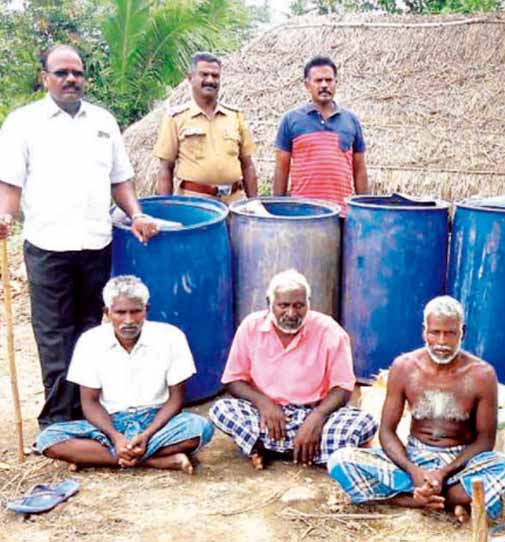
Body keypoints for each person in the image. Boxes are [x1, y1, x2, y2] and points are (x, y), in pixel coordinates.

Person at [0, 45, 159, 429]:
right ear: (45, 77)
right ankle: (58, 419)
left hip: (95, 244)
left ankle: (89, 413)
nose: (71, 79)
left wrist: (136, 214)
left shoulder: (103, 121)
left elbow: (120, 179)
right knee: (55, 334)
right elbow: (9, 183)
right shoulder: (23, 123)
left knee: (91, 331)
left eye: (77, 72)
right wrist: (4, 215)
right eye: (61, 72)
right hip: (48, 246)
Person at [327, 296, 505, 522]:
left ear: (463, 332)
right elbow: (387, 432)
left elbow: (484, 441)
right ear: (425, 332)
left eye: (450, 333)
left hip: (461, 464)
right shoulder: (404, 367)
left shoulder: (482, 375)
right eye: (435, 332)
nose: (441, 341)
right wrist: (414, 471)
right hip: (414, 458)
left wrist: (443, 473)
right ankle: (444, 499)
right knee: (340, 460)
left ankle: (427, 497)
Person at [35, 276, 214, 474]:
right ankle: (156, 460)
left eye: (136, 311)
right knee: (48, 439)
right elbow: (90, 402)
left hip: (156, 420)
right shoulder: (90, 342)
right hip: (110, 422)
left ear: (147, 309)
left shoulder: (171, 337)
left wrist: (147, 434)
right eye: (120, 312)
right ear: (107, 312)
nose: (129, 320)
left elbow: (176, 399)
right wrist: (115, 436)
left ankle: (99, 457)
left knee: (200, 427)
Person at [209, 269, 377, 469]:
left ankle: (269, 448)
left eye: (299, 306)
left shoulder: (330, 331)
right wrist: (265, 404)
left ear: (308, 303)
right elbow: (233, 380)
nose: (291, 313)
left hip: (315, 412)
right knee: (222, 410)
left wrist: (317, 418)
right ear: (269, 304)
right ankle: (311, 453)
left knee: (364, 421)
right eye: (283, 306)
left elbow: (343, 387)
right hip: (268, 416)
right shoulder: (251, 326)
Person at [154, 51, 258, 203]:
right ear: (190, 78)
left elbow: (247, 165)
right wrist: (165, 208)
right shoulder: (176, 118)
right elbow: (165, 168)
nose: (210, 80)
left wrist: (253, 203)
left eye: (215, 76)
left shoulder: (235, 116)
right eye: (204, 74)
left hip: (234, 202)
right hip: (194, 204)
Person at [272, 56, 368, 216]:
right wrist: (277, 211)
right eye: (318, 80)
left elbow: (359, 169)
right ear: (307, 85)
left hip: (341, 214)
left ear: (336, 83)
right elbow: (282, 169)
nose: (324, 85)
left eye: (329, 80)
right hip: (302, 213)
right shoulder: (291, 120)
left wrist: (364, 211)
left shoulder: (351, 121)